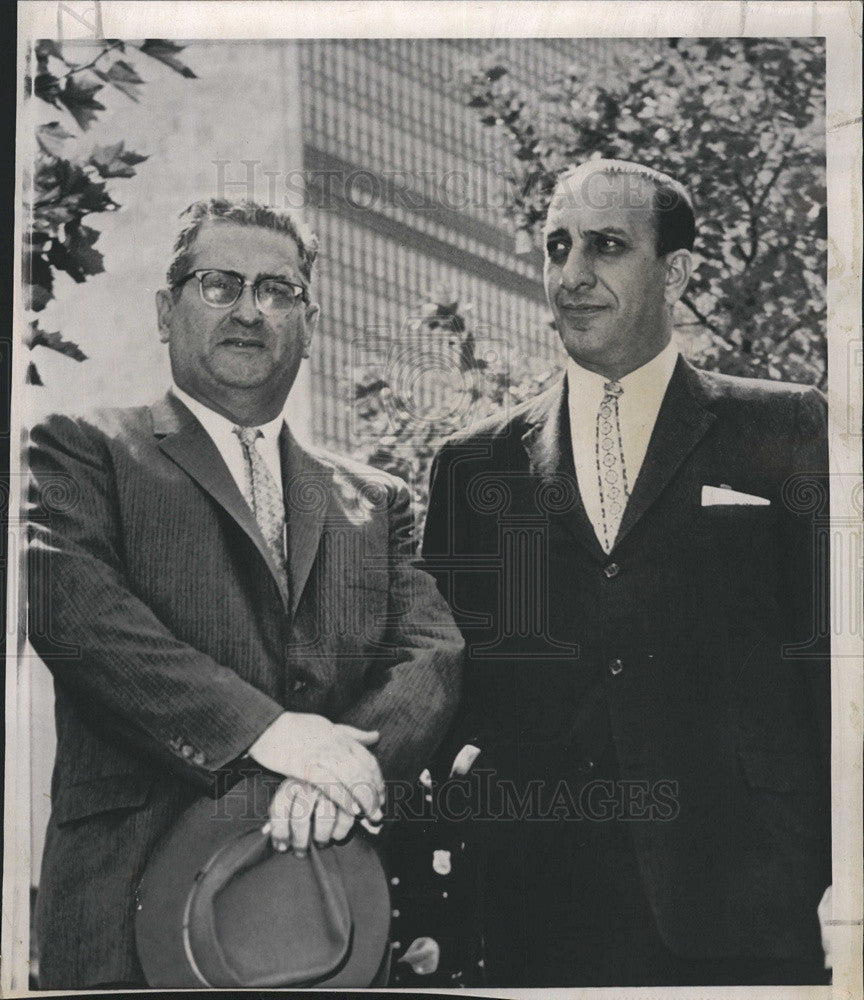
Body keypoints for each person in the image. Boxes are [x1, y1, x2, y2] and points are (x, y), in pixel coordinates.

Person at [27, 199, 463, 989]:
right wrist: (274, 735)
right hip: (130, 922)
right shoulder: (81, 447)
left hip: (329, 920)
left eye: (278, 290)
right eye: (220, 284)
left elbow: (429, 652)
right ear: (167, 310)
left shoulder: (378, 498)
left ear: (308, 320)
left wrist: (343, 774)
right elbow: (78, 617)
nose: (250, 311)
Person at [422, 160, 830, 987]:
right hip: (535, 904)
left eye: (606, 246)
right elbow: (447, 684)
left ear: (675, 271)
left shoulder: (786, 425)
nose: (572, 276)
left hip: (745, 893)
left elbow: (833, 665)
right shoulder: (473, 465)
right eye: (557, 246)